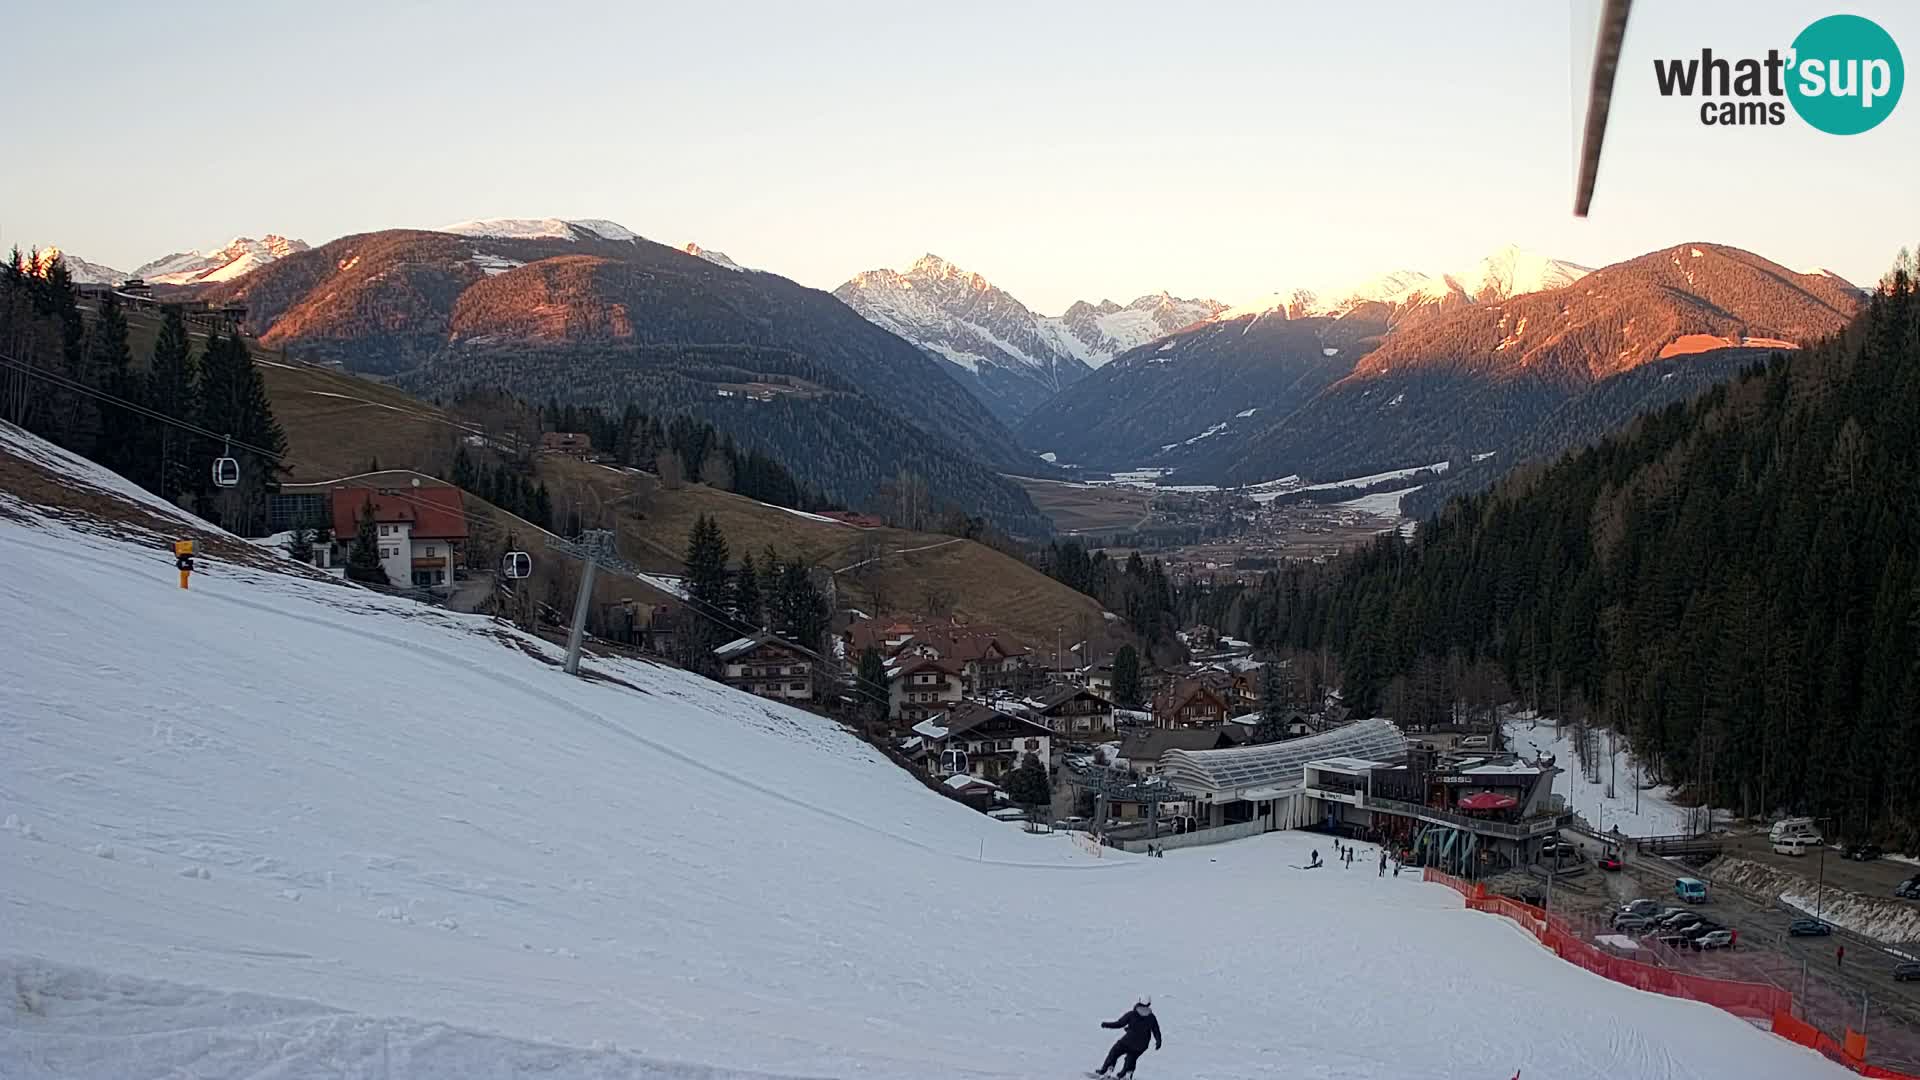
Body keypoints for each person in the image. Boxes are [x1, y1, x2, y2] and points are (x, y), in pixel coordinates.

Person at [1095, 996, 1162, 1078]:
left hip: (1128, 1041)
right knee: (1131, 1058)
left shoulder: (1132, 1014)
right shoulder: (1151, 1017)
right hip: (1142, 1045)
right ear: (1149, 1003)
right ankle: (1127, 1073)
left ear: (1139, 1001)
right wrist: (1159, 1041)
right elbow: (1156, 1031)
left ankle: (1108, 1068)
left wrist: (1106, 1024)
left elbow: (1119, 1024)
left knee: (1115, 1052)